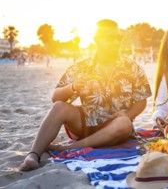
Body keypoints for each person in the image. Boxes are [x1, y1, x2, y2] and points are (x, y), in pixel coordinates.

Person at [19, 19, 152, 171]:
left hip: (115, 126)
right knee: (59, 107)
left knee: (125, 124)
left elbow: (142, 101)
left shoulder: (132, 67)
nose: (116, 42)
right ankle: (33, 155)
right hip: (84, 123)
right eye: (110, 38)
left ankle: (69, 147)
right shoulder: (81, 67)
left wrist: (128, 114)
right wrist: (73, 87)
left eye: (118, 38)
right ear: (97, 40)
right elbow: (56, 98)